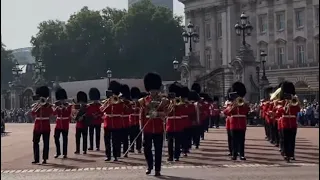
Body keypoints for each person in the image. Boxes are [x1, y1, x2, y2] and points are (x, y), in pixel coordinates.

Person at [139, 72, 168, 176]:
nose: (153, 92)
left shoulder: (163, 100)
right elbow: (142, 114)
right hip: (147, 128)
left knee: (158, 149)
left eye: (154, 90)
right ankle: (149, 165)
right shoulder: (144, 101)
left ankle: (157, 169)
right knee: (147, 148)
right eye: (151, 90)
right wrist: (141, 127)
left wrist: (157, 113)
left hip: (159, 128)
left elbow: (166, 113)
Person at [223, 82, 249, 161]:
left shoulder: (244, 103)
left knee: (242, 140)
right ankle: (234, 155)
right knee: (234, 140)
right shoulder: (231, 104)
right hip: (233, 124)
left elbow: (247, 111)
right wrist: (233, 106)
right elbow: (226, 112)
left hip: (241, 124)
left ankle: (242, 155)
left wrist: (244, 104)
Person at [275, 81, 300, 162]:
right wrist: (285, 106)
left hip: (292, 123)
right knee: (285, 140)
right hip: (284, 123)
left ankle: (291, 154)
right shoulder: (281, 102)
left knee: (292, 140)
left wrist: (295, 103)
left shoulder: (294, 102)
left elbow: (298, 110)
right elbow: (278, 111)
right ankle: (286, 154)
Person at [101, 80, 123, 161]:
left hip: (117, 123)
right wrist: (108, 104)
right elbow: (102, 110)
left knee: (116, 141)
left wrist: (119, 102)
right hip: (108, 123)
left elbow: (123, 111)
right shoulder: (107, 101)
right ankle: (108, 155)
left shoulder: (120, 102)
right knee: (107, 141)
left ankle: (116, 156)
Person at [31, 86, 53, 164]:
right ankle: (36, 159)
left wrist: (45, 105)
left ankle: (44, 158)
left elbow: (51, 113)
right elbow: (32, 114)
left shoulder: (49, 106)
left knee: (46, 143)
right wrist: (37, 107)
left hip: (46, 126)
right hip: (37, 126)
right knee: (35, 142)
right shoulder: (36, 105)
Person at [166, 83, 183, 162]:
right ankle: (170, 156)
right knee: (170, 141)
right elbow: (166, 112)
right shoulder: (167, 102)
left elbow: (182, 111)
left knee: (178, 141)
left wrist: (177, 105)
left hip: (178, 123)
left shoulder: (180, 101)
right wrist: (171, 105)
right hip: (170, 124)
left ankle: (177, 155)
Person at [53, 88, 72, 159]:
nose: (61, 100)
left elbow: (68, 113)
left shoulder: (68, 105)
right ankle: (58, 152)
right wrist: (56, 107)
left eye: (62, 99)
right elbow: (54, 113)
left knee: (64, 139)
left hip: (65, 124)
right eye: (60, 99)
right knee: (56, 137)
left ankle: (65, 153)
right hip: (58, 124)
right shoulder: (56, 105)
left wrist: (64, 107)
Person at [119, 84, 132, 157]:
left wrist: (125, 106)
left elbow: (130, 111)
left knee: (125, 139)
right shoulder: (118, 102)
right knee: (118, 138)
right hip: (119, 122)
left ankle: (125, 151)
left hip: (126, 122)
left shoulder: (129, 103)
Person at [129, 87, 142, 153]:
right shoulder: (130, 103)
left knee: (138, 136)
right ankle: (132, 148)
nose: (135, 99)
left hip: (138, 121)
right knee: (131, 135)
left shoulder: (140, 103)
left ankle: (138, 148)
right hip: (131, 121)